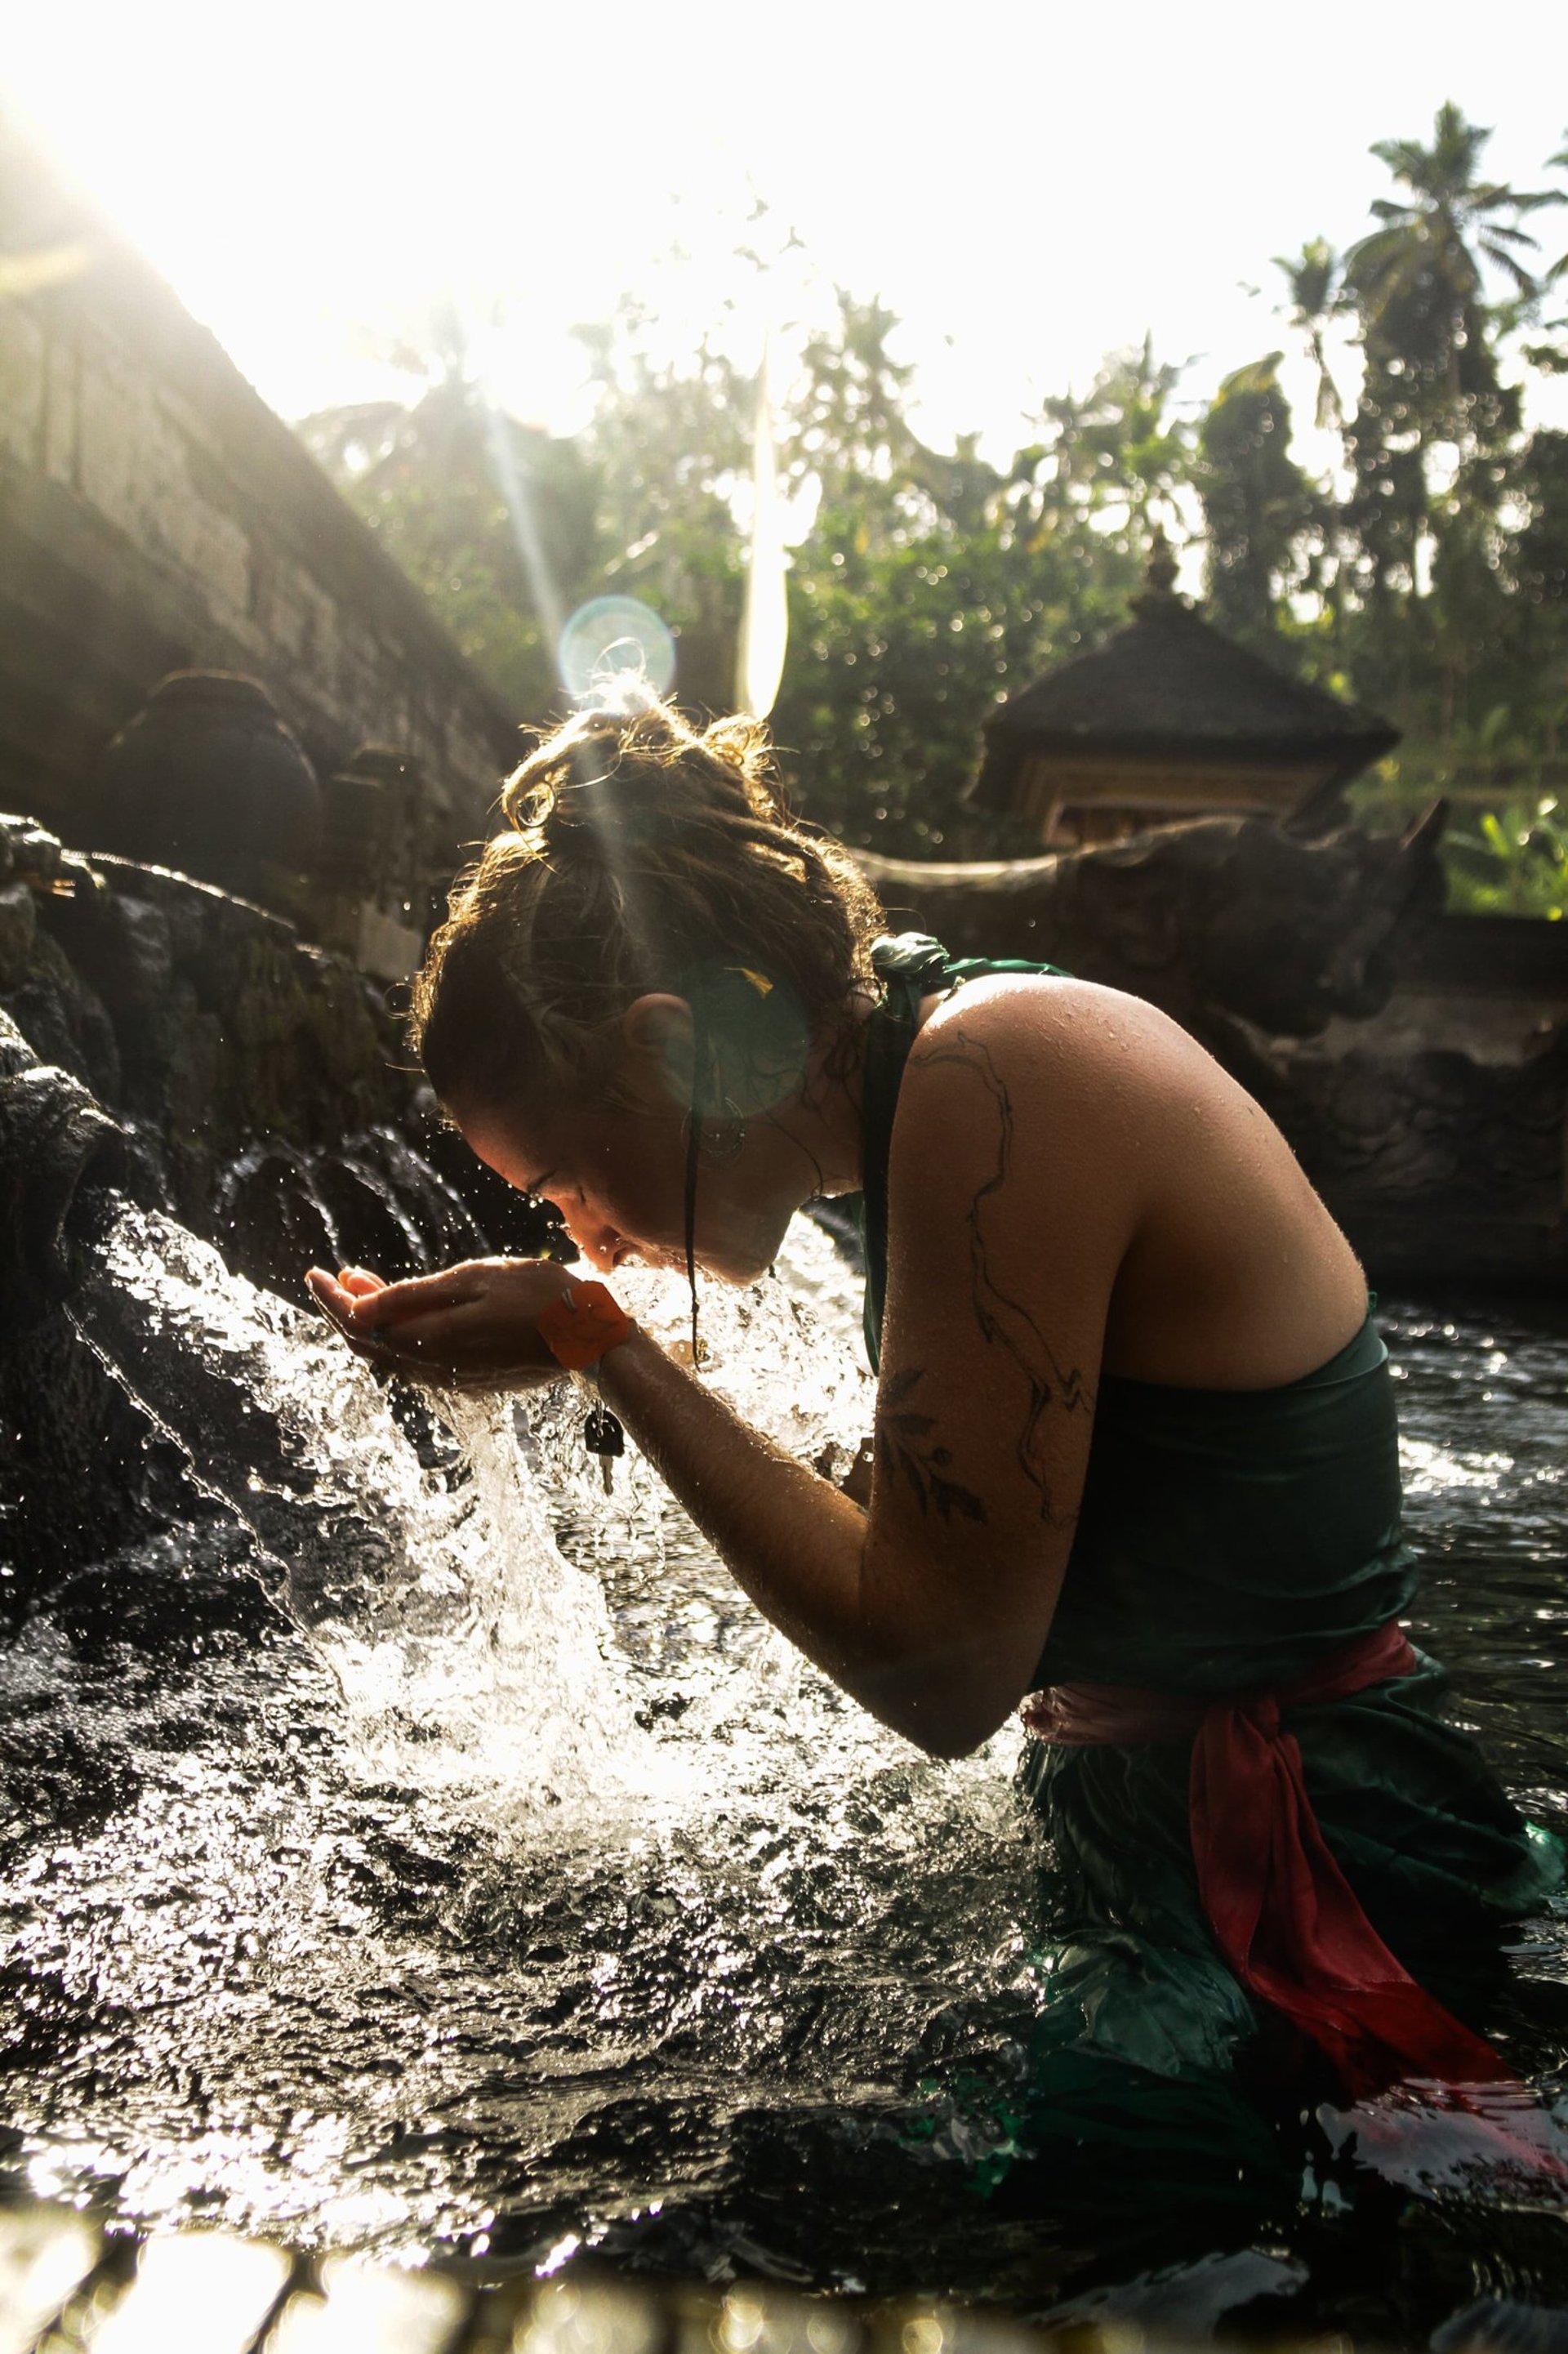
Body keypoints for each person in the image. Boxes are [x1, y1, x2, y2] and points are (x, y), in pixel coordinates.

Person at [308, 696, 1561, 2196]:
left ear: (674, 1048)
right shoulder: (931, 1073)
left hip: (1308, 1855)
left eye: (570, 1180)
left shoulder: (994, 1081)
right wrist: (600, 1340)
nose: (585, 1233)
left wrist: (601, 1341)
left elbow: (946, 1669)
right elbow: (960, 1551)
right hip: (1162, 1828)